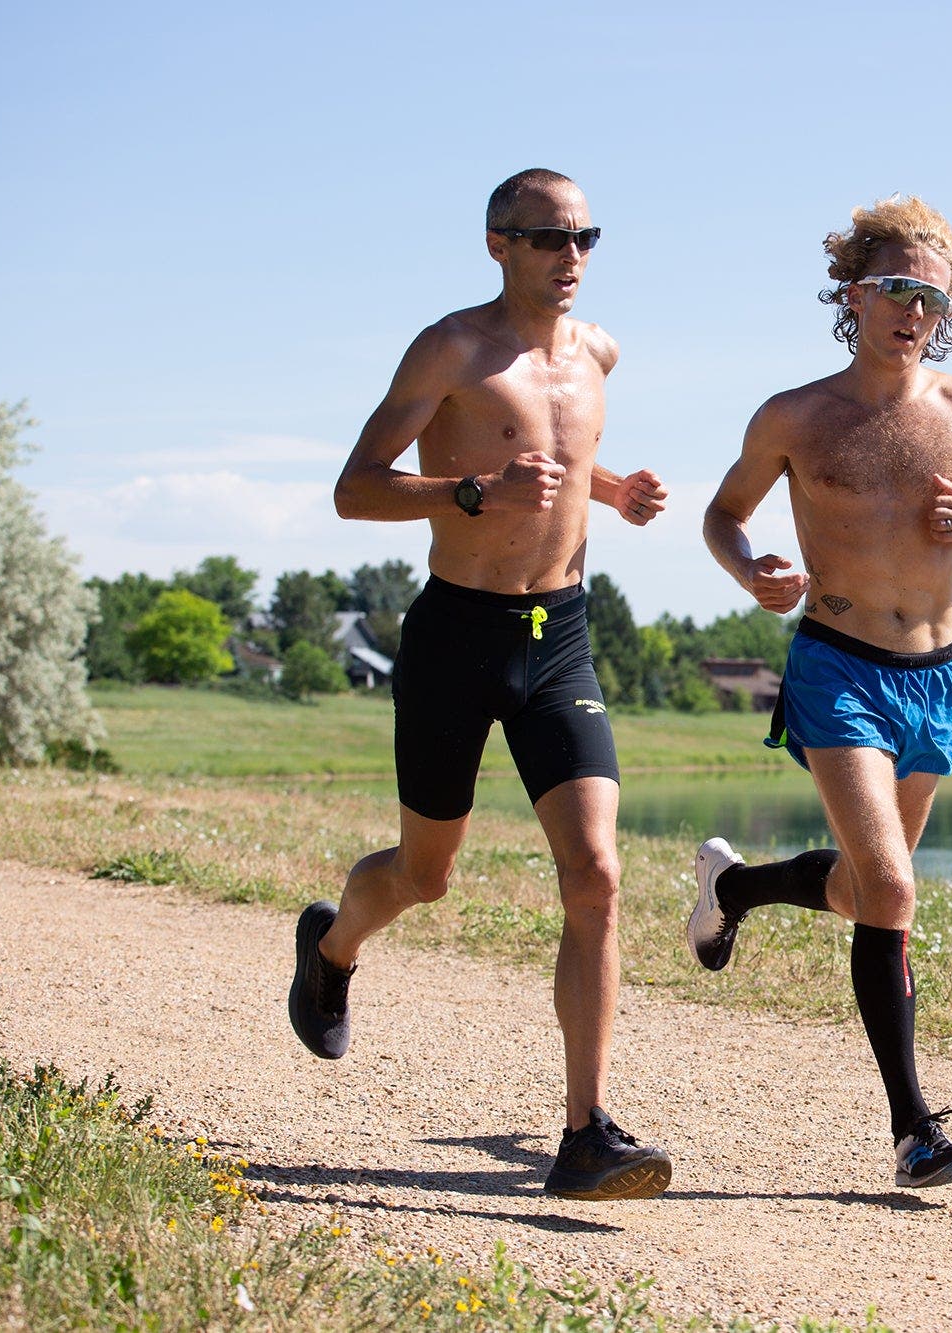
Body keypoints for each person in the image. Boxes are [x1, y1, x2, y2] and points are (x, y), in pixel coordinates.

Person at [287, 168, 673, 1202]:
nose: (571, 253)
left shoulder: (599, 352)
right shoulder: (449, 347)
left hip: (561, 632)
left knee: (594, 874)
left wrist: (613, 487)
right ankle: (331, 947)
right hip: (457, 634)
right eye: (548, 236)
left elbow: (558, 453)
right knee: (425, 873)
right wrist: (469, 490)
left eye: (586, 234)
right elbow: (353, 490)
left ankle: (585, 1131)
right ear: (497, 243)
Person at [693, 196, 952, 1188]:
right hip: (837, 666)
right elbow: (723, 515)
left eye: (931, 296)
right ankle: (913, 1132)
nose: (912, 310)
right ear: (854, 293)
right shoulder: (795, 416)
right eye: (895, 288)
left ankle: (735, 887)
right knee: (891, 888)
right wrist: (749, 569)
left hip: (937, 678)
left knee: (862, 889)